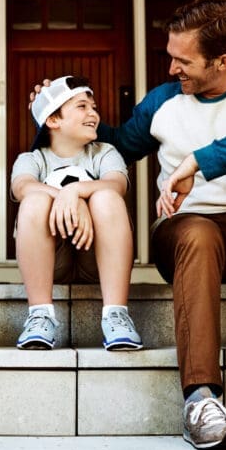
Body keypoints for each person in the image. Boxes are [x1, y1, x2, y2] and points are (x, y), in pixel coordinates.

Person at [32, 0, 226, 450]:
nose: (172, 67)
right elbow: (114, 143)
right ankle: (201, 401)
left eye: (184, 59)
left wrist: (201, 160)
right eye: (170, 54)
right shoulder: (163, 101)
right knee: (198, 233)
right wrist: (53, 116)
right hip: (185, 233)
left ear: (222, 61)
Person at [12, 75, 143, 352]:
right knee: (34, 200)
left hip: (96, 260)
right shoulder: (32, 159)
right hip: (52, 262)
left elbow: (117, 184)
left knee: (107, 197)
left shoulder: (104, 152)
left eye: (93, 107)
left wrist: (77, 192)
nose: (93, 113)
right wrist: (68, 197)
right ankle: (40, 314)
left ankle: (116, 315)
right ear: (53, 120)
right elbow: (22, 187)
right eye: (82, 106)